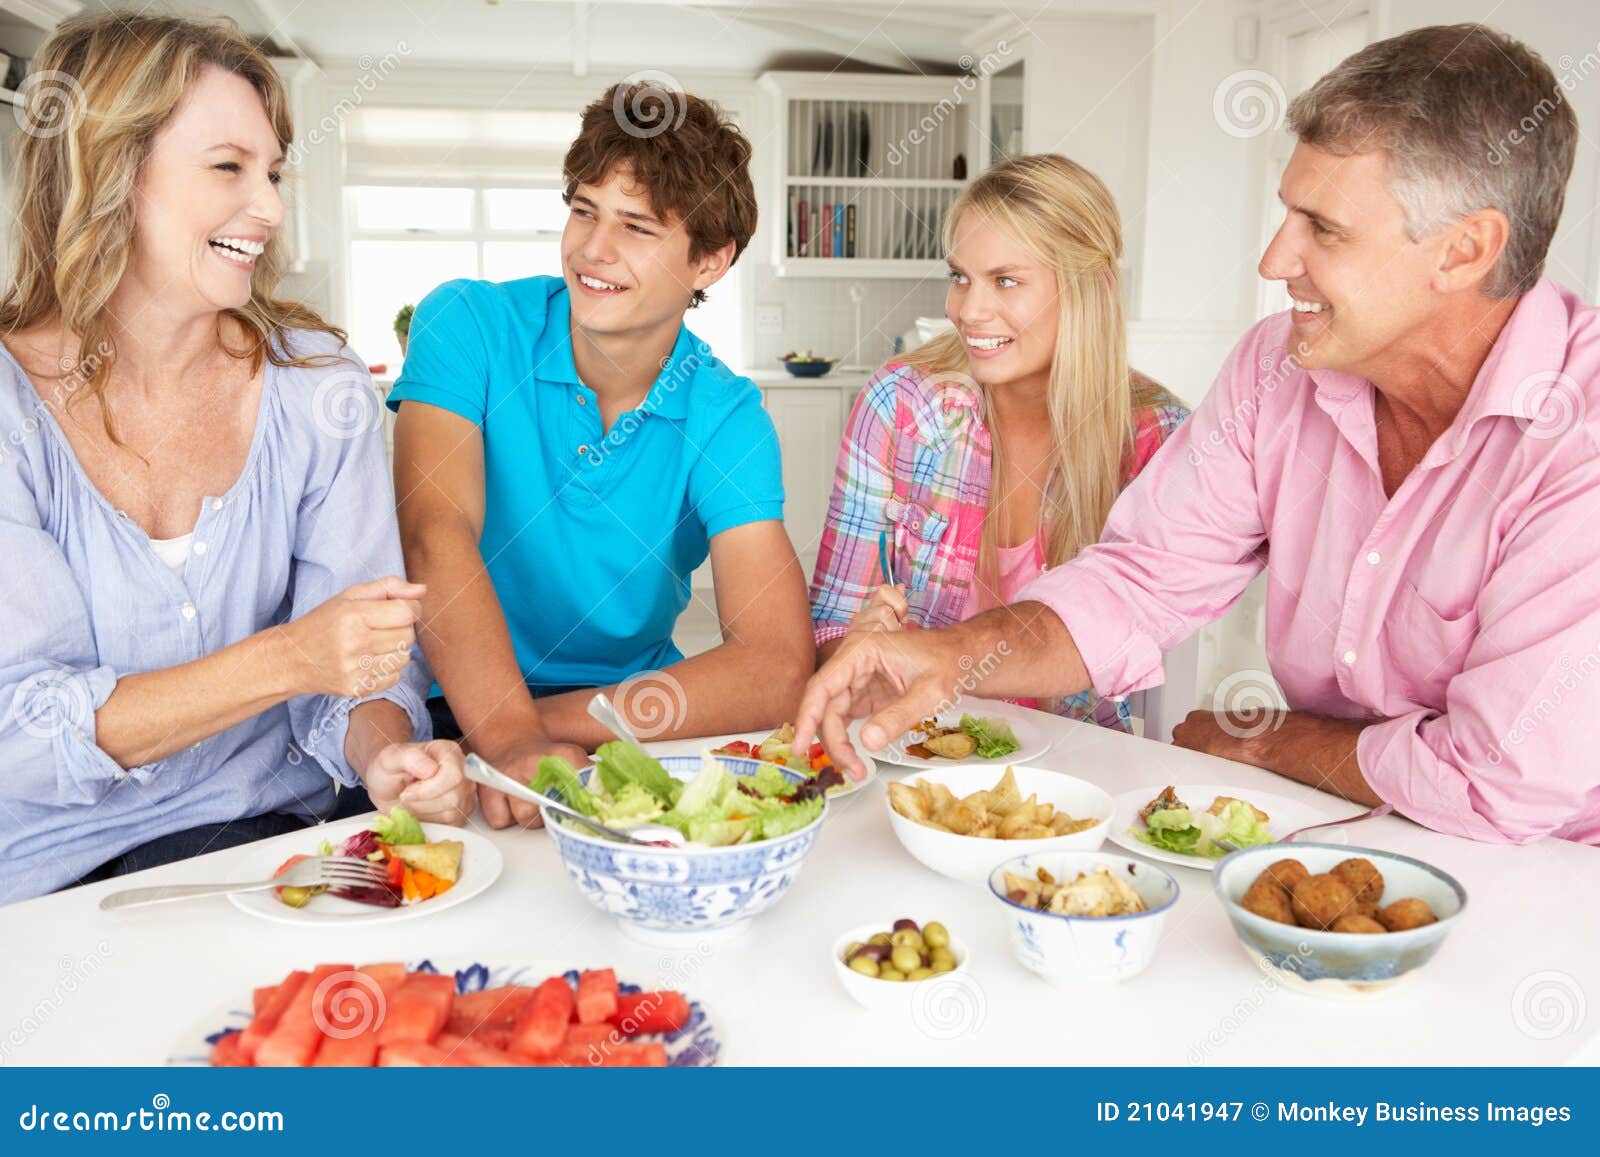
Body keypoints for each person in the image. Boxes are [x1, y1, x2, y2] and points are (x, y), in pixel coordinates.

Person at [794, 24, 1600, 846]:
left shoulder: (1582, 436)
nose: (1274, 258)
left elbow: (1499, 783)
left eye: (1322, 228)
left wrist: (1266, 739)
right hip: (1328, 825)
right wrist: (957, 653)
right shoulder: (1276, 371)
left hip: (1547, 876)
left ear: (1464, 251)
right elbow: (1138, 581)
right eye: (1287, 212)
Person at [0, 13, 473, 905]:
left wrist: (387, 757)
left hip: (279, 850)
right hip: (55, 883)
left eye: (274, 171)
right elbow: (21, 735)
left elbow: (363, 668)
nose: (271, 207)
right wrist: (288, 658)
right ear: (112, 172)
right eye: (229, 168)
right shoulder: (9, 408)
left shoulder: (317, 384)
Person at [391, 82, 814, 829]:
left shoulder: (726, 415)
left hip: (615, 723)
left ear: (710, 261)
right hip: (442, 711)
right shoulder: (468, 324)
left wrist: (533, 729)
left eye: (637, 227)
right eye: (584, 209)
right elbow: (435, 531)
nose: (592, 248)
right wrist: (504, 732)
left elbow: (777, 663)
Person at [808, 154, 1187, 730]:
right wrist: (858, 660)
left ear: (1093, 289)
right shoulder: (901, 404)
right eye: (960, 277)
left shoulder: (1158, 438)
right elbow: (833, 623)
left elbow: (1144, 636)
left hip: (1080, 763)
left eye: (1005, 280)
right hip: (913, 741)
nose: (968, 310)